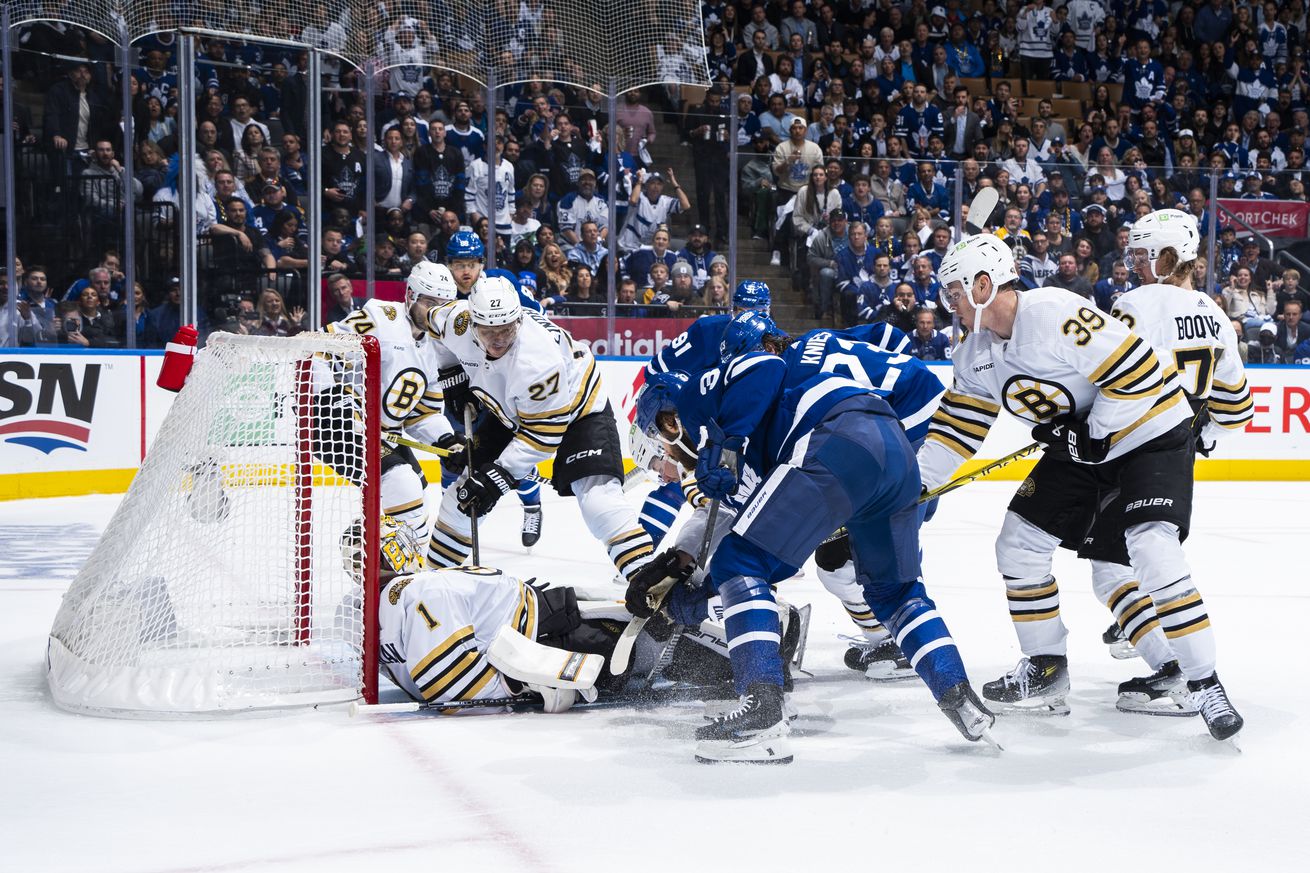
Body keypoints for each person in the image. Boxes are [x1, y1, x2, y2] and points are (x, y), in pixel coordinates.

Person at [626, 312, 994, 763]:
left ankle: (762, 715)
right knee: (893, 593)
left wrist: (725, 445)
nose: (668, 458)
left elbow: (762, 367)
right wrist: (692, 591)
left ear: (668, 423)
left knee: (738, 563)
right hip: (893, 447)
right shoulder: (774, 396)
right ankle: (960, 697)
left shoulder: (701, 397)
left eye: (662, 445)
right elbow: (767, 536)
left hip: (836, 438)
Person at [919, 230, 1242, 743]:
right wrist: (915, 488)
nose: (947, 303)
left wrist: (1090, 435)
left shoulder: (1051, 312)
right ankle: (1046, 669)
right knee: (1019, 541)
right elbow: (955, 432)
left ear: (982, 285)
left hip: (1150, 429)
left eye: (953, 292)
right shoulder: (974, 354)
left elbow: (1135, 372)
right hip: (1085, 444)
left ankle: (1204, 682)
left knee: (1150, 548)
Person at [1095, 209, 1253, 716]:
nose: (1134, 264)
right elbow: (1238, 405)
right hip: (1174, 448)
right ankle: (1168, 661)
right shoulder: (1214, 313)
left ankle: (1194, 678)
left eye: (1142, 255)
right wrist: (1201, 431)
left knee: (1144, 550)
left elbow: (1099, 375)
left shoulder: (1135, 304)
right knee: (1111, 566)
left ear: (1169, 257)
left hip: (1134, 445)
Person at [422, 277, 656, 591]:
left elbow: (543, 435)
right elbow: (430, 321)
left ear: (518, 319)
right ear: (473, 324)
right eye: (489, 332)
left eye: (507, 329)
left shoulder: (537, 360)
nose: (498, 340)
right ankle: (427, 586)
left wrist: (499, 475)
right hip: (515, 411)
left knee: (599, 502)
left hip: (578, 409)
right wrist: (452, 375)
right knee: (463, 499)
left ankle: (653, 590)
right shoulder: (458, 321)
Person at [322, 261, 461, 545]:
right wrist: (329, 399)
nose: (437, 313)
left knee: (417, 488)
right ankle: (406, 568)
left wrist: (446, 440)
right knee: (402, 483)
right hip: (336, 423)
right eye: (430, 303)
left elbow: (422, 413)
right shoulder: (381, 317)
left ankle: (371, 553)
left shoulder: (439, 348)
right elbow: (321, 348)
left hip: (381, 433)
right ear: (411, 295)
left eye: (444, 306)